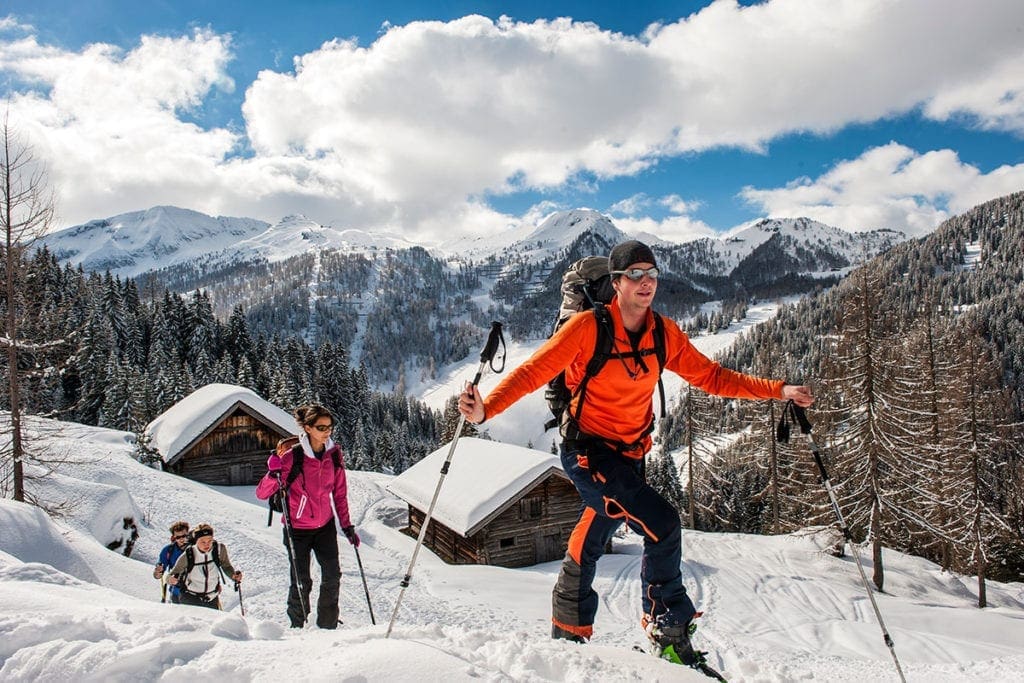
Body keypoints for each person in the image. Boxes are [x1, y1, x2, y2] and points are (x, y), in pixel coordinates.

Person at [458, 240, 814, 662]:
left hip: (630, 454)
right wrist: (487, 409)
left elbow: (712, 377)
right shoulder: (587, 328)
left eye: (652, 274)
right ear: (617, 282)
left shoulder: (662, 333)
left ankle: (567, 627)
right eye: (635, 275)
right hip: (588, 453)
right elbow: (535, 372)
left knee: (596, 529)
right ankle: (668, 629)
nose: (646, 283)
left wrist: (779, 390)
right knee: (662, 523)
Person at [255, 404, 360, 629]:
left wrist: (347, 525)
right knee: (302, 581)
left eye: (330, 427)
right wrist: (273, 474)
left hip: (325, 526)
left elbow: (339, 493)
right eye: (321, 427)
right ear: (308, 428)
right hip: (297, 529)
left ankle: (328, 625)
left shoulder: (334, 454)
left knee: (332, 576)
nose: (327, 431)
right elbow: (262, 493)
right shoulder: (293, 457)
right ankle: (298, 626)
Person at [166, 523, 242, 610]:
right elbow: (171, 574)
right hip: (190, 598)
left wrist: (233, 576)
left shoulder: (219, 549)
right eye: (203, 541)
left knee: (214, 623)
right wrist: (170, 579)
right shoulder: (189, 554)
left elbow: (226, 566)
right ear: (196, 540)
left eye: (210, 540)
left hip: (212, 597)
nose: (207, 544)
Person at [153, 520, 190, 604]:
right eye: (178, 537)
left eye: (184, 536)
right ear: (174, 537)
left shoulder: (196, 549)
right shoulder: (169, 550)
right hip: (176, 593)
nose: (181, 539)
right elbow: (159, 571)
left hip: (195, 592)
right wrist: (158, 572)